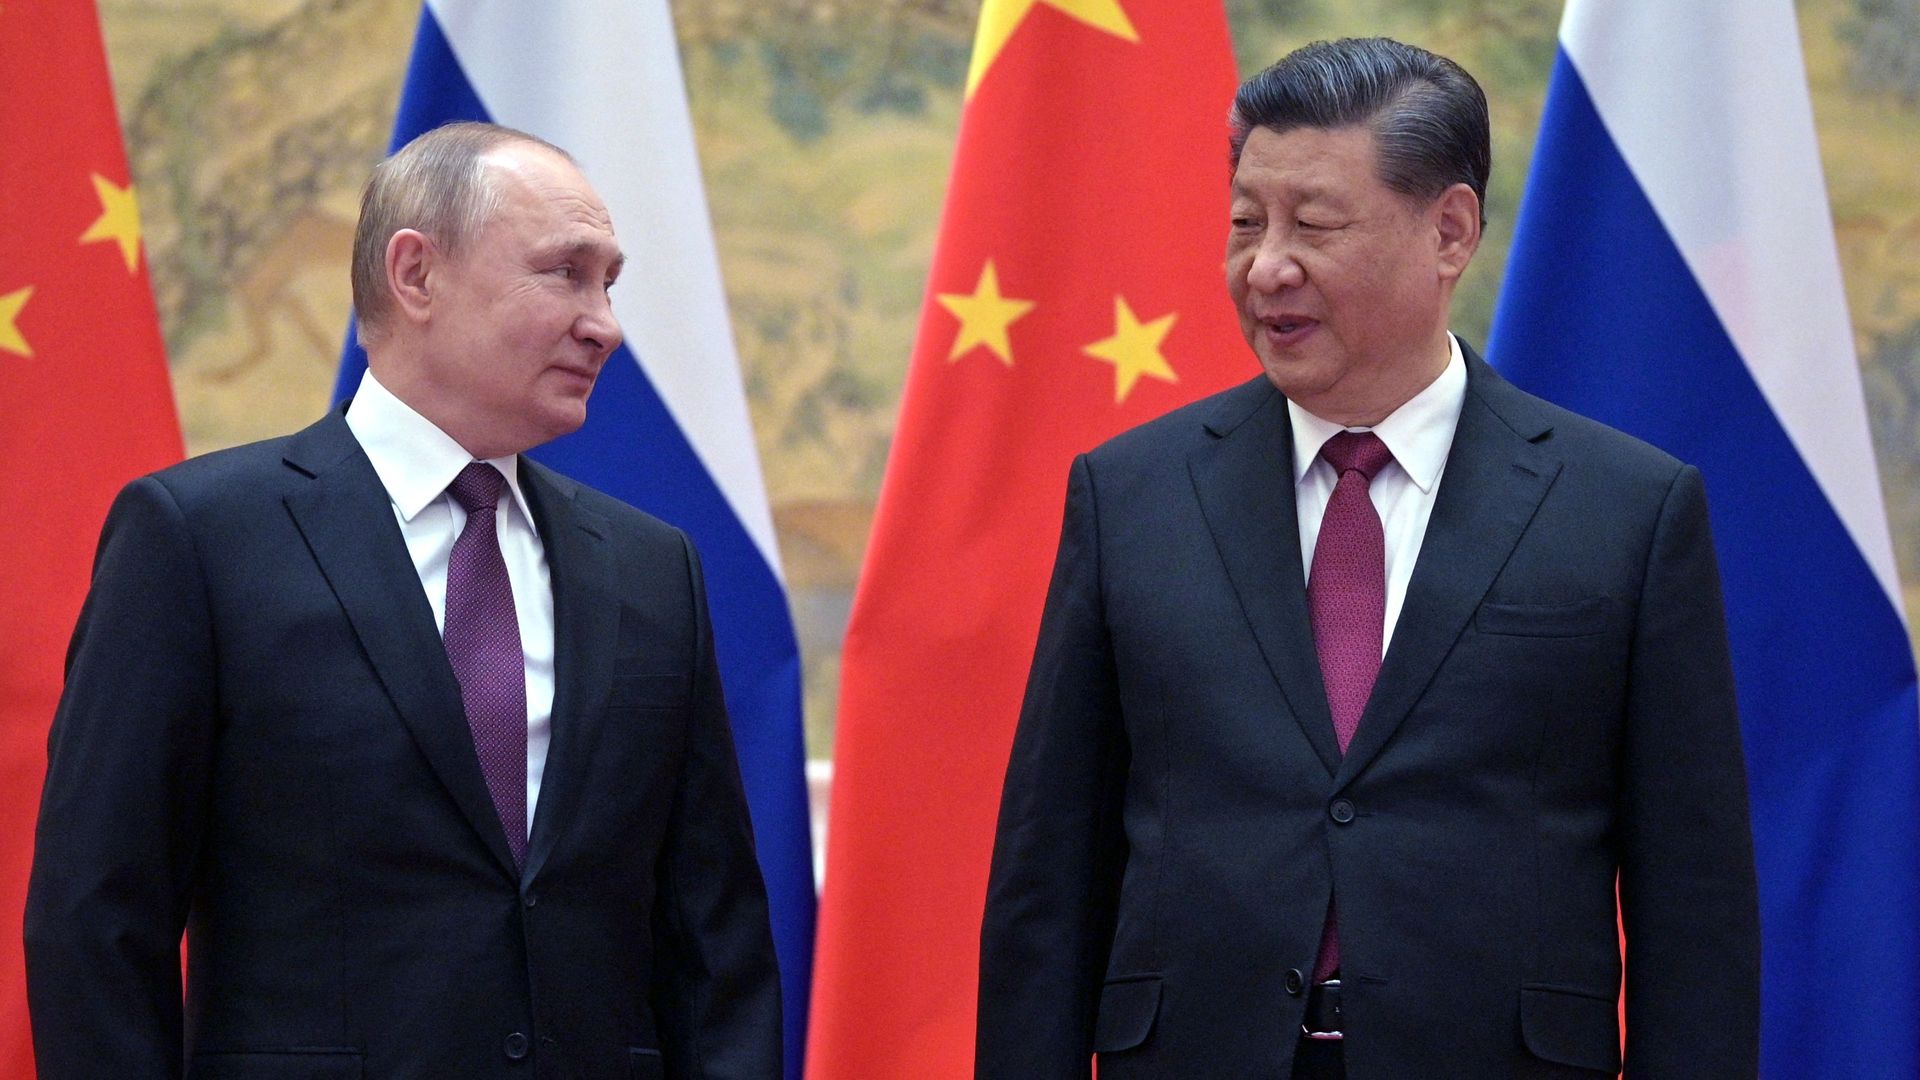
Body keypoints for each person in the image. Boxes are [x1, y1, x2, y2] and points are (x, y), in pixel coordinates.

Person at [976, 38, 1758, 1080]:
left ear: (1450, 232)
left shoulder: (1624, 510)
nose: (1267, 266)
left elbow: (1695, 907)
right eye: (1246, 223)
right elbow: (1049, 874)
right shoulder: (1132, 496)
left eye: (1315, 225)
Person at [25, 122, 781, 1080]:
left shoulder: (650, 567)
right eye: (565, 273)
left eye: (609, 284)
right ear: (416, 274)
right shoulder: (200, 540)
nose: (605, 325)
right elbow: (97, 920)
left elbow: (716, 940)